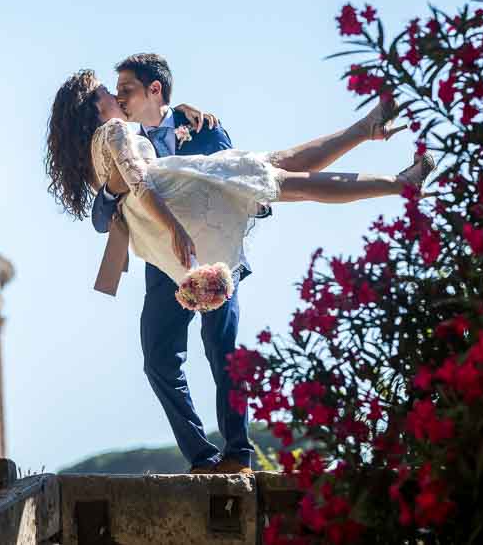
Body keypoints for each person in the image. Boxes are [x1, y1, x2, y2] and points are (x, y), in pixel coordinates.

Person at [44, 54, 430, 474]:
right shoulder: (118, 139)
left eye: (125, 89)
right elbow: (104, 216)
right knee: (158, 359)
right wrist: (121, 195)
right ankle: (203, 458)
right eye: (111, 91)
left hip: (214, 251)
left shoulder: (202, 127)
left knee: (223, 346)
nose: (118, 95)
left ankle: (237, 453)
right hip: (166, 266)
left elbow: (226, 180)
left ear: (155, 90)